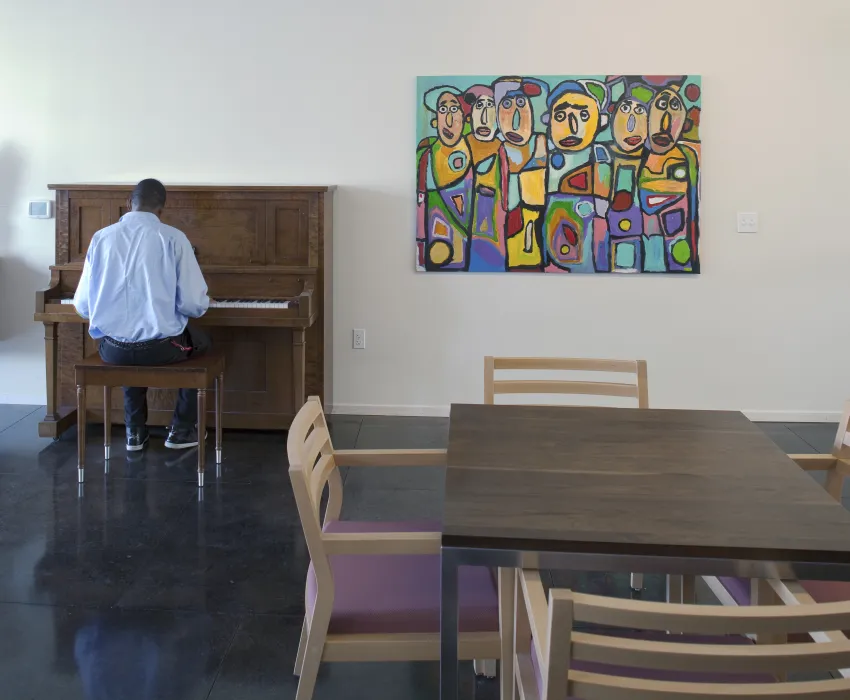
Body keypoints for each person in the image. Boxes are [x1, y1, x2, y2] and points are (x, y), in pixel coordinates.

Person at [73, 178, 211, 452]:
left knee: (127, 340)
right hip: (161, 349)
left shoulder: (101, 238)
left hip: (111, 350)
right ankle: (182, 430)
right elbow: (194, 305)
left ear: (128, 203)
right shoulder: (172, 237)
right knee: (202, 343)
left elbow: (83, 307)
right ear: (162, 209)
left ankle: (134, 432)